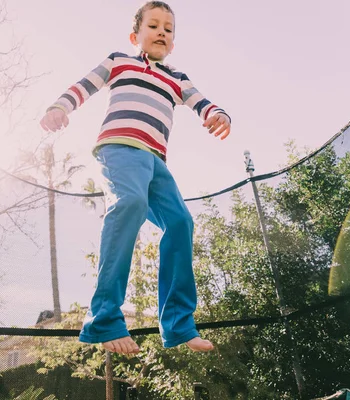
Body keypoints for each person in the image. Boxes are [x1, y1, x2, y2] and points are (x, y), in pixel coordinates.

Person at [40, 1, 231, 355]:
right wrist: (59, 107)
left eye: (168, 29)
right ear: (135, 35)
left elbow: (203, 103)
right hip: (119, 150)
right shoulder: (119, 61)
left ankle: (178, 325)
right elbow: (83, 86)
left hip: (156, 162)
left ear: (172, 43)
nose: (161, 32)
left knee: (180, 223)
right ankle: (105, 319)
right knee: (130, 202)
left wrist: (219, 115)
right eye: (154, 25)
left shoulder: (177, 78)